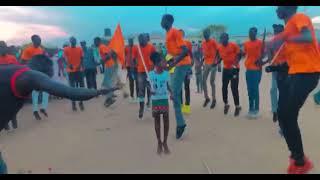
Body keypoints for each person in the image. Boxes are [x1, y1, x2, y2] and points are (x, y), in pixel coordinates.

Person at [0, 54, 119, 174]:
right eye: (44, 82)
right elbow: (69, 92)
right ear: (41, 74)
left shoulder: (12, 72)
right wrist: (99, 91)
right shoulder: (30, 76)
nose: (40, 89)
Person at [269, 6, 320, 174]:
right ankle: (297, 157)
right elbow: (293, 59)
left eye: (278, 7)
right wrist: (276, 67)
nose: (276, 9)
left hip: (308, 73)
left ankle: (300, 161)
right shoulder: (290, 26)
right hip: (296, 74)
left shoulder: (299, 18)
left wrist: (283, 37)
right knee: (283, 115)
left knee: (287, 114)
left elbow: (306, 37)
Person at [161, 14, 191, 139]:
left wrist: (173, 63)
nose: (161, 22)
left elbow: (184, 51)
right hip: (177, 64)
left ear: (169, 21)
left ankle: (181, 124)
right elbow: (175, 52)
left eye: (163, 20)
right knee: (174, 93)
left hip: (182, 64)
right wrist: (169, 63)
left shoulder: (175, 32)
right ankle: (180, 123)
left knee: (174, 93)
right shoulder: (167, 34)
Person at [21, 35, 49, 120]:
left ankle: (43, 108)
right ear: (33, 40)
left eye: (40, 40)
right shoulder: (28, 50)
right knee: (35, 93)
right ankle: (35, 111)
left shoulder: (41, 49)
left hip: (41, 73)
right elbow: (22, 62)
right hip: (32, 74)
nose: (39, 41)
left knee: (46, 91)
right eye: (38, 40)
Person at [149, 52, 171, 155]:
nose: (165, 63)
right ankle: (159, 142)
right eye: (163, 61)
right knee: (157, 121)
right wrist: (150, 90)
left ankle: (165, 142)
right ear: (157, 63)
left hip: (164, 99)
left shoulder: (166, 74)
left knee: (166, 121)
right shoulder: (150, 74)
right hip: (155, 100)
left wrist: (172, 93)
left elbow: (168, 85)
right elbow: (147, 85)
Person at [217, 33, 242, 116]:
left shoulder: (233, 45)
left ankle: (237, 106)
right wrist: (217, 63)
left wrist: (235, 64)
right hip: (226, 69)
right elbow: (220, 56)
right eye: (221, 38)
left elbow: (239, 54)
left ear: (227, 38)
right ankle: (226, 104)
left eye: (224, 38)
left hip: (234, 69)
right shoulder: (220, 47)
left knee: (234, 88)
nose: (222, 39)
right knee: (224, 87)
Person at [243, 27, 263, 119]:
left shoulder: (260, 43)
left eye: (253, 33)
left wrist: (260, 60)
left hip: (256, 70)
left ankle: (256, 110)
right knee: (249, 90)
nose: (251, 34)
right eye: (249, 32)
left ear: (256, 33)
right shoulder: (246, 43)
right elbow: (245, 54)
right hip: (248, 69)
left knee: (255, 90)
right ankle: (251, 109)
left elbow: (264, 53)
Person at [136, 34, 156, 120]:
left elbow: (155, 58)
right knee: (141, 90)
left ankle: (152, 108)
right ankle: (141, 108)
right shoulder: (137, 48)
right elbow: (134, 58)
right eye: (139, 40)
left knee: (151, 90)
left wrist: (153, 67)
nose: (141, 41)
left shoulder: (151, 47)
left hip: (150, 72)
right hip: (140, 71)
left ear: (146, 39)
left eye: (142, 39)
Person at [95, 37, 118, 108]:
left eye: (95, 42)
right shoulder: (102, 47)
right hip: (110, 65)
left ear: (98, 41)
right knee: (108, 81)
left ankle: (109, 98)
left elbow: (108, 56)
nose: (94, 43)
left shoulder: (102, 47)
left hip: (109, 65)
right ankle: (110, 96)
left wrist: (102, 61)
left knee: (108, 82)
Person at [64, 37, 86, 112]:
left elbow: (82, 58)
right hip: (71, 71)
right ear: (70, 41)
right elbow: (65, 59)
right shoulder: (66, 49)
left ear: (76, 41)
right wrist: (68, 64)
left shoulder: (79, 49)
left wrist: (81, 65)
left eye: (75, 41)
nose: (73, 42)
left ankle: (81, 102)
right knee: (72, 88)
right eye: (72, 41)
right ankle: (73, 104)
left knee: (82, 87)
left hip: (79, 70)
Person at [201, 28, 219, 109]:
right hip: (206, 64)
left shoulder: (213, 41)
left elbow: (218, 51)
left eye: (206, 33)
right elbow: (205, 53)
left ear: (209, 33)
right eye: (204, 33)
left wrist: (218, 63)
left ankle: (214, 99)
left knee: (212, 81)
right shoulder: (203, 43)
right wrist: (202, 61)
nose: (205, 35)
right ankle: (207, 98)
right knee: (203, 80)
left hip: (213, 64)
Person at [180, 29, 193, 114]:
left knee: (187, 87)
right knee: (179, 88)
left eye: (181, 34)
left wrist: (191, 66)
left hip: (187, 68)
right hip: (178, 69)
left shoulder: (188, 43)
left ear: (183, 35)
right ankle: (181, 106)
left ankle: (187, 106)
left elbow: (191, 55)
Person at [125, 38, 139, 103]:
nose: (130, 42)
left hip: (135, 67)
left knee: (137, 82)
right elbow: (123, 54)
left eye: (131, 41)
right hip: (129, 67)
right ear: (128, 42)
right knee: (131, 82)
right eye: (129, 41)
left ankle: (138, 96)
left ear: (133, 41)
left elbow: (138, 56)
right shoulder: (126, 47)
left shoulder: (136, 47)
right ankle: (131, 95)